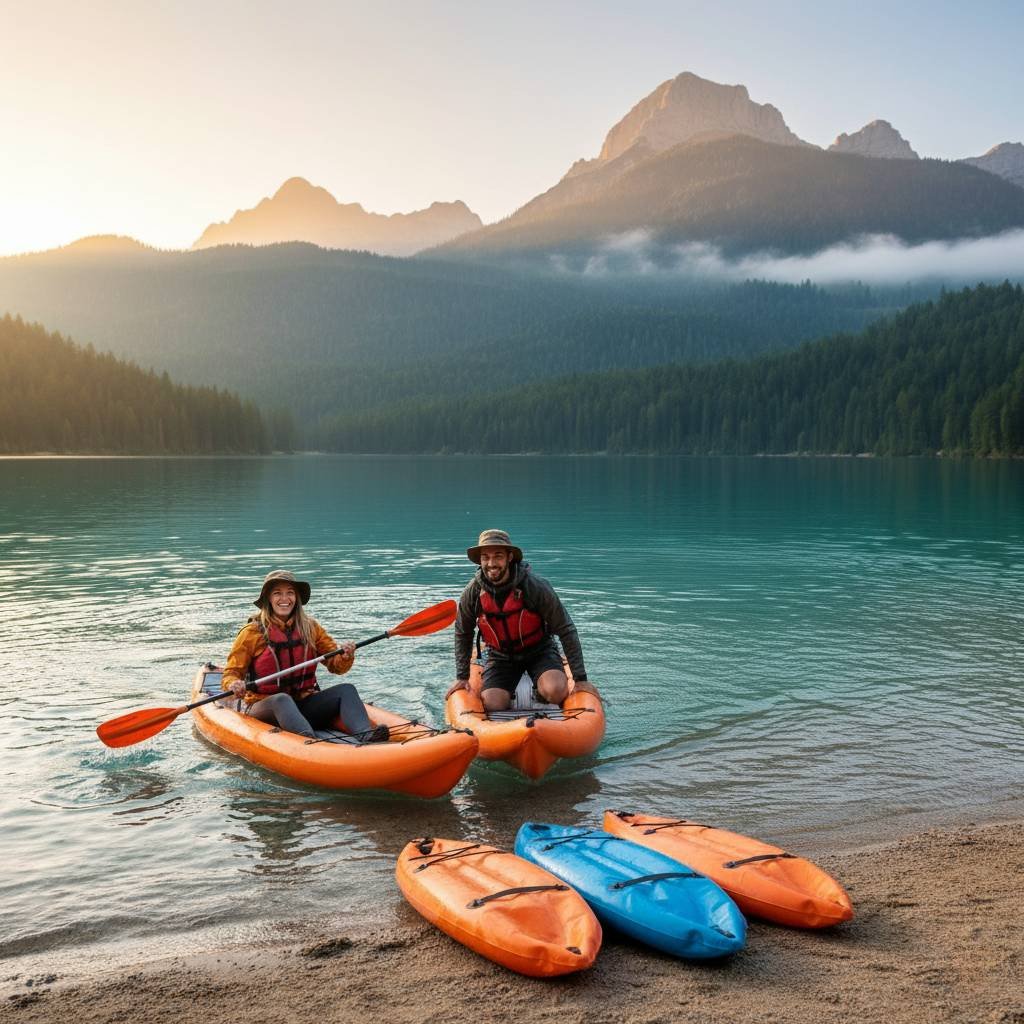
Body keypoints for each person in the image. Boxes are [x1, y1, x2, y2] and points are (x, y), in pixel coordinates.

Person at [221, 569, 389, 742]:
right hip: (264, 706)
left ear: (297, 598)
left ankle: (367, 735)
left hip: (303, 704)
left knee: (346, 690)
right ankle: (310, 743)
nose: (284, 599)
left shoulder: (310, 627)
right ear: (268, 599)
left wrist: (346, 656)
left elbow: (335, 665)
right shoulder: (252, 633)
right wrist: (233, 684)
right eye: (277, 593)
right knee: (282, 700)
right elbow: (231, 673)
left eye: (290, 593)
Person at [447, 529, 598, 712]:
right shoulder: (472, 593)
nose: (491, 563)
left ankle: (540, 691)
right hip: (500, 655)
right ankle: (509, 690)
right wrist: (462, 677)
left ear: (510, 557)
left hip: (539, 650)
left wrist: (580, 679)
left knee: (555, 691)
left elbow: (566, 629)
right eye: (485, 557)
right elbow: (463, 632)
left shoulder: (534, 586)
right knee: (492, 704)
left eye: (498, 556)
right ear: (480, 560)